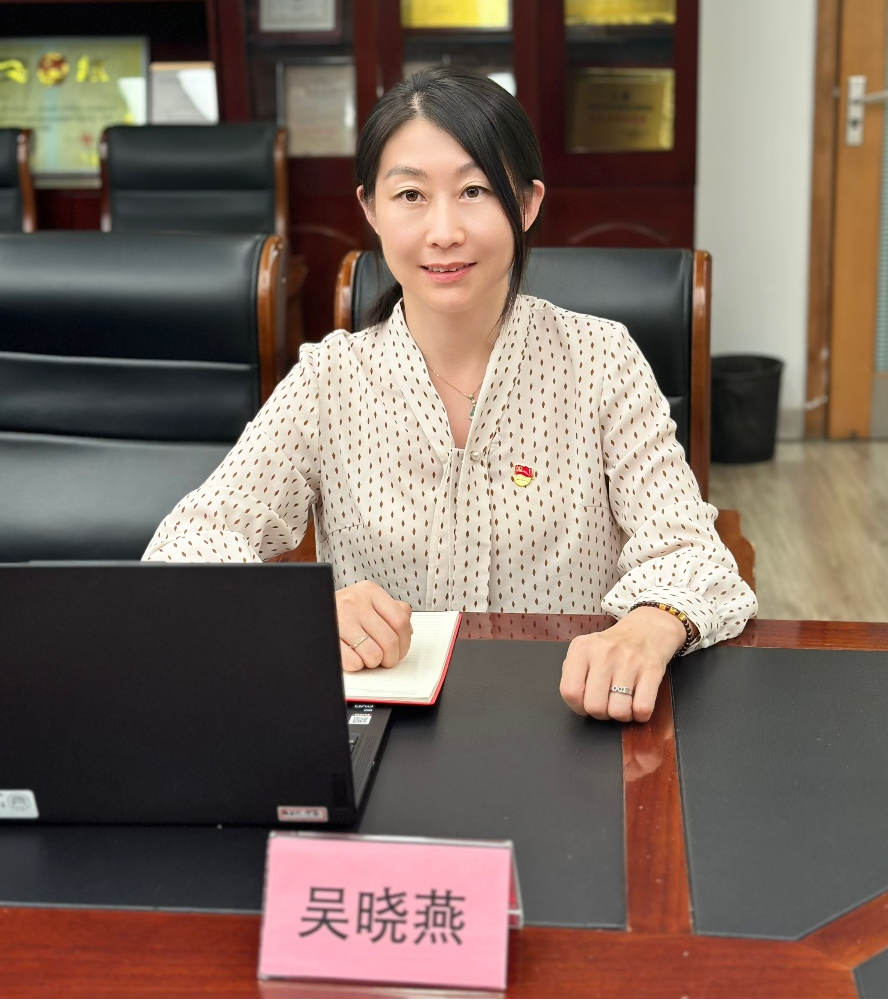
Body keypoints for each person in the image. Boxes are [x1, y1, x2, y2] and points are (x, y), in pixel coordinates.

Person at [143, 67, 757, 723]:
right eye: (410, 194)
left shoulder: (600, 359)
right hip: (383, 726)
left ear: (527, 204)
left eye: (474, 190)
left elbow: (690, 551)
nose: (443, 231)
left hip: (568, 713)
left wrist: (650, 623)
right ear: (371, 209)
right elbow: (185, 549)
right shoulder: (330, 378)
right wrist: (301, 611)